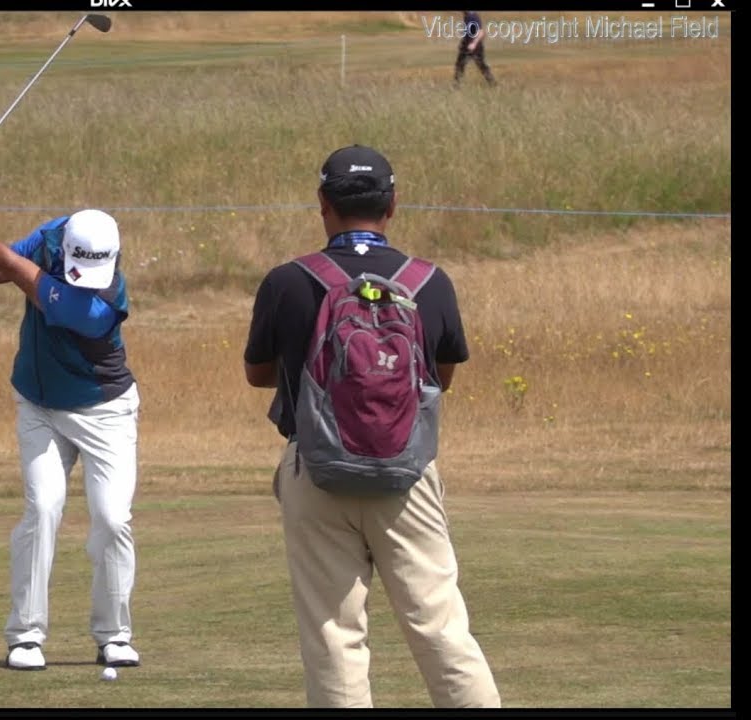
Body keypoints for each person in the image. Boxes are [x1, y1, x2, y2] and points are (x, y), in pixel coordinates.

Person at [241, 145, 500, 708]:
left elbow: (259, 374)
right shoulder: (430, 282)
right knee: (440, 628)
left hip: (316, 470)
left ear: (323, 204)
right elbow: (441, 377)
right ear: (393, 205)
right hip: (406, 474)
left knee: (334, 635)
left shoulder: (287, 281)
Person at [0, 173, 142, 672]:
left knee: (112, 519)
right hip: (40, 406)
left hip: (104, 410)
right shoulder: (52, 236)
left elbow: (17, 272)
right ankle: (25, 635)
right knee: (43, 510)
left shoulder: (101, 302)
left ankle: (114, 634)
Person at [455, 10, 497, 87]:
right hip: (466, 46)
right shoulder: (466, 16)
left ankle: (493, 84)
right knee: (459, 65)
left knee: (481, 66)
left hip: (475, 47)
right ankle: (457, 85)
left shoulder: (473, 16)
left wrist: (473, 44)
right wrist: (463, 43)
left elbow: (481, 32)